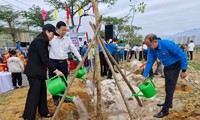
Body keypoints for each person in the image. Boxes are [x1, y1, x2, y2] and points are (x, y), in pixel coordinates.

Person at [22, 24, 63, 120]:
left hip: (39, 72)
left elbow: (44, 60)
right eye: (53, 34)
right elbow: (45, 60)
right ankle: (28, 116)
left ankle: (44, 112)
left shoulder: (42, 41)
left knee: (42, 93)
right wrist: (56, 70)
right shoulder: (39, 41)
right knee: (34, 94)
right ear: (47, 31)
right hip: (34, 72)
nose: (53, 37)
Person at [142, 34, 188, 118]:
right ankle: (169, 103)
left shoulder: (167, 44)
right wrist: (145, 75)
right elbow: (150, 61)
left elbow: (182, 55)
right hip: (167, 66)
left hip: (175, 66)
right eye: (147, 46)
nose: (149, 47)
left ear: (155, 41)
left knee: (170, 88)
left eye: (149, 45)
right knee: (167, 87)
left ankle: (165, 111)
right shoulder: (151, 49)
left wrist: (184, 70)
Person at [49, 21, 82, 106]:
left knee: (64, 80)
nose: (64, 32)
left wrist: (80, 59)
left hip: (63, 62)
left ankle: (64, 96)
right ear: (57, 29)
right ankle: (56, 98)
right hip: (53, 62)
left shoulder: (67, 39)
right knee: (55, 81)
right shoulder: (51, 39)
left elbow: (73, 49)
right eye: (62, 30)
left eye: (65, 30)